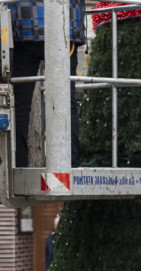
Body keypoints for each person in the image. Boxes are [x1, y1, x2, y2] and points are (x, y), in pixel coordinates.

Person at [9, 0, 87, 167]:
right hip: (64, 24)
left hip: (23, 26)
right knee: (66, 103)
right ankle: (70, 164)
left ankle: (18, 165)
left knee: (19, 106)